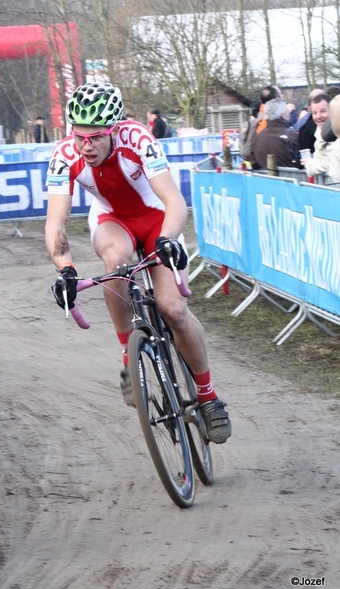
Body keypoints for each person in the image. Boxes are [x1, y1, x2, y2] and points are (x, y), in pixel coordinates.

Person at [45, 82, 231, 444]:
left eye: (95, 137)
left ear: (113, 129)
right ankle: (128, 354)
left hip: (157, 219)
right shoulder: (65, 155)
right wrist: (65, 268)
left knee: (173, 310)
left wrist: (167, 239)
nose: (86, 145)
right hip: (112, 220)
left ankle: (208, 397)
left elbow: (174, 200)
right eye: (79, 136)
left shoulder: (138, 138)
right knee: (114, 260)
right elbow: (56, 222)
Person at [250, 99, 300, 170]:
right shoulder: (292, 136)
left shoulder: (256, 138)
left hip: (264, 179)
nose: (289, 114)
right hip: (291, 179)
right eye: (287, 111)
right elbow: (302, 162)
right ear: (283, 115)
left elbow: (254, 164)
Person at [300, 93, 332, 177]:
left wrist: (310, 163)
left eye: (323, 111)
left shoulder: (336, 133)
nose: (318, 116)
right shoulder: (318, 132)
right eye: (314, 113)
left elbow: (331, 163)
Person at [294, 88, 325, 153]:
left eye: (323, 111)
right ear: (309, 108)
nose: (319, 116)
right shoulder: (305, 130)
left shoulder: (335, 127)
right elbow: (302, 157)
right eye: (315, 112)